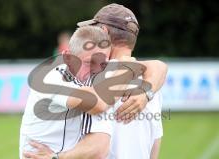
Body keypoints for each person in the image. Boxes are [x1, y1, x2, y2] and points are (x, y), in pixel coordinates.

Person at [23, 3, 167, 159]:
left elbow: (98, 146)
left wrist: (56, 157)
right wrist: (148, 90)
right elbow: (154, 145)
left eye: (95, 28)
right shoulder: (150, 80)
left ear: (104, 32)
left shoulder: (96, 78)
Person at [20, 25, 140, 159]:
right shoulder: (52, 78)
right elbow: (98, 103)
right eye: (89, 62)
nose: (96, 71)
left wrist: (146, 94)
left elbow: (158, 67)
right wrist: (127, 71)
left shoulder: (92, 79)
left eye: (103, 64)